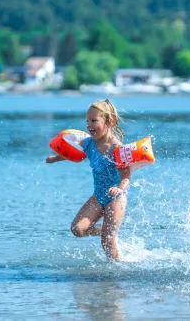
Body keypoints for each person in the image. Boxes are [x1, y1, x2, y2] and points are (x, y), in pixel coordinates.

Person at [46, 99, 131, 261]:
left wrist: (120, 188)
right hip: (98, 196)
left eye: (94, 120)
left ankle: (117, 271)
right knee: (77, 229)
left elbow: (126, 175)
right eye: (87, 121)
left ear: (109, 122)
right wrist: (56, 159)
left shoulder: (117, 148)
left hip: (116, 198)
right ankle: (105, 229)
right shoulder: (88, 143)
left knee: (107, 241)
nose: (88, 125)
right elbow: (75, 154)